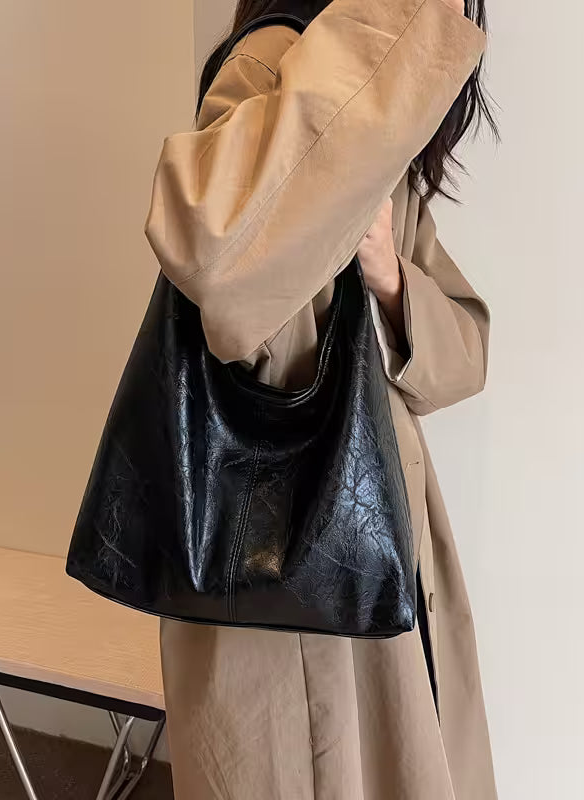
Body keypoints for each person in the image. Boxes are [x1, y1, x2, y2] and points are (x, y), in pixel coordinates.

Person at [145, 0, 498, 796]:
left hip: (382, 526)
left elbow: (465, 351)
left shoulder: (376, 109)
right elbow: (214, 259)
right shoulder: (273, 64)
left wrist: (389, 273)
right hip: (286, 548)